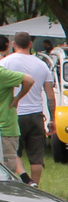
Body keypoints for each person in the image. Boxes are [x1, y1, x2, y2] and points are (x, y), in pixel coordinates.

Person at [2, 31, 55, 186]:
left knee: (13, 152)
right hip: (36, 114)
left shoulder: (5, 62)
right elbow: (50, 94)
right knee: (36, 155)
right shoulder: (42, 64)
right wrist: (52, 118)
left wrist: (17, 98)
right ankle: (35, 185)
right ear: (31, 44)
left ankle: (24, 178)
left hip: (15, 113)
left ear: (13, 44)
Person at [0, 36, 36, 180]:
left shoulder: (5, 65)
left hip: (6, 124)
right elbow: (29, 80)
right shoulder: (2, 72)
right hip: (6, 124)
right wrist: (18, 97)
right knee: (8, 169)